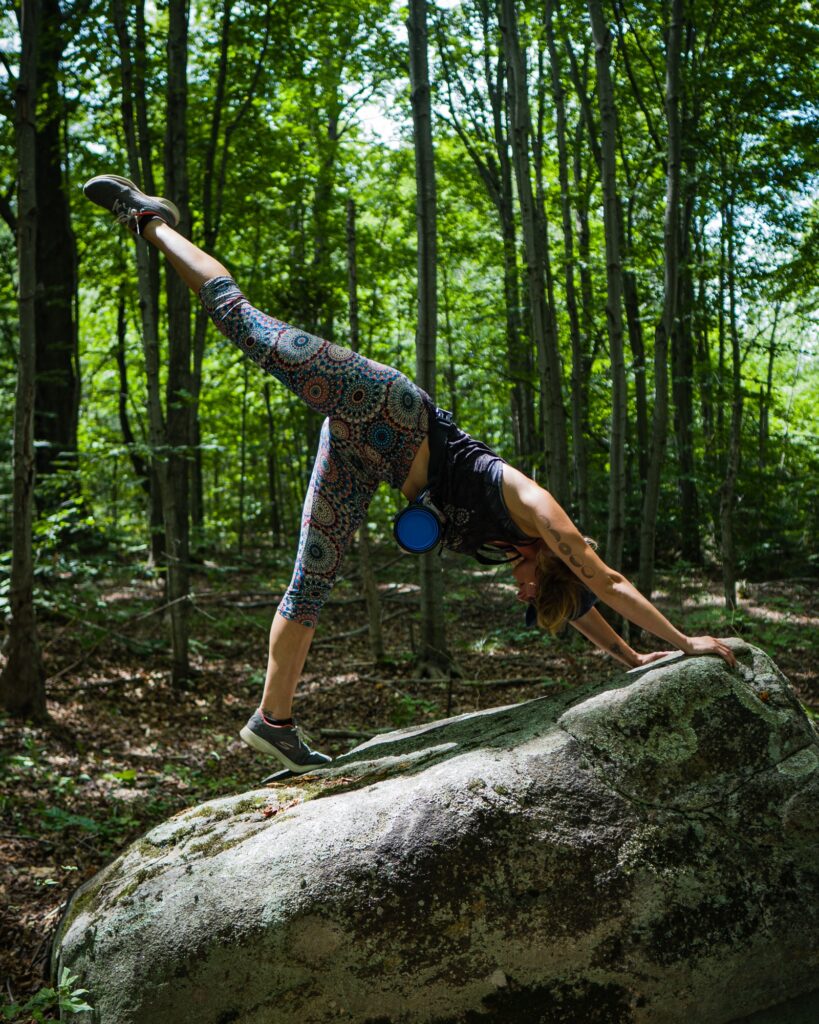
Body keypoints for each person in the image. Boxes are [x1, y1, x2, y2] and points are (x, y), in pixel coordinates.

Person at [82, 175, 737, 774]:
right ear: (552, 562)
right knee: (245, 326)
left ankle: (272, 721)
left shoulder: (528, 556)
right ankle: (151, 220)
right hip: (385, 405)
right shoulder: (535, 508)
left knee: (312, 577)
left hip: (365, 454)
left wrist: (631, 661)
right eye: (532, 588)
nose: (520, 593)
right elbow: (604, 579)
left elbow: (581, 602)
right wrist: (685, 642)